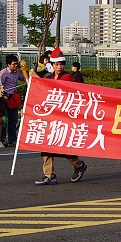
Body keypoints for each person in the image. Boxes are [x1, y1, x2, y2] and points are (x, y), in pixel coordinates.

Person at [35, 48, 88, 186]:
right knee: (46, 146)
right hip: (50, 118)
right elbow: (40, 93)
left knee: (63, 147)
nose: (59, 67)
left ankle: (78, 165)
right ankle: (49, 175)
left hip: (64, 118)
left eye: (61, 64)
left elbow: (53, 88)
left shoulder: (66, 77)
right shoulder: (49, 77)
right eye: (56, 64)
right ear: (52, 65)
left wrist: (35, 78)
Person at [0, 55, 26, 148]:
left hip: (14, 98)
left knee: (13, 119)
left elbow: (24, 78)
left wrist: (25, 72)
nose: (15, 66)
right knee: (5, 120)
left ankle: (12, 139)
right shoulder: (3, 73)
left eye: (16, 64)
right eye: (14, 64)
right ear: (8, 64)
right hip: (5, 98)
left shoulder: (17, 72)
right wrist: (2, 94)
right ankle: (2, 139)